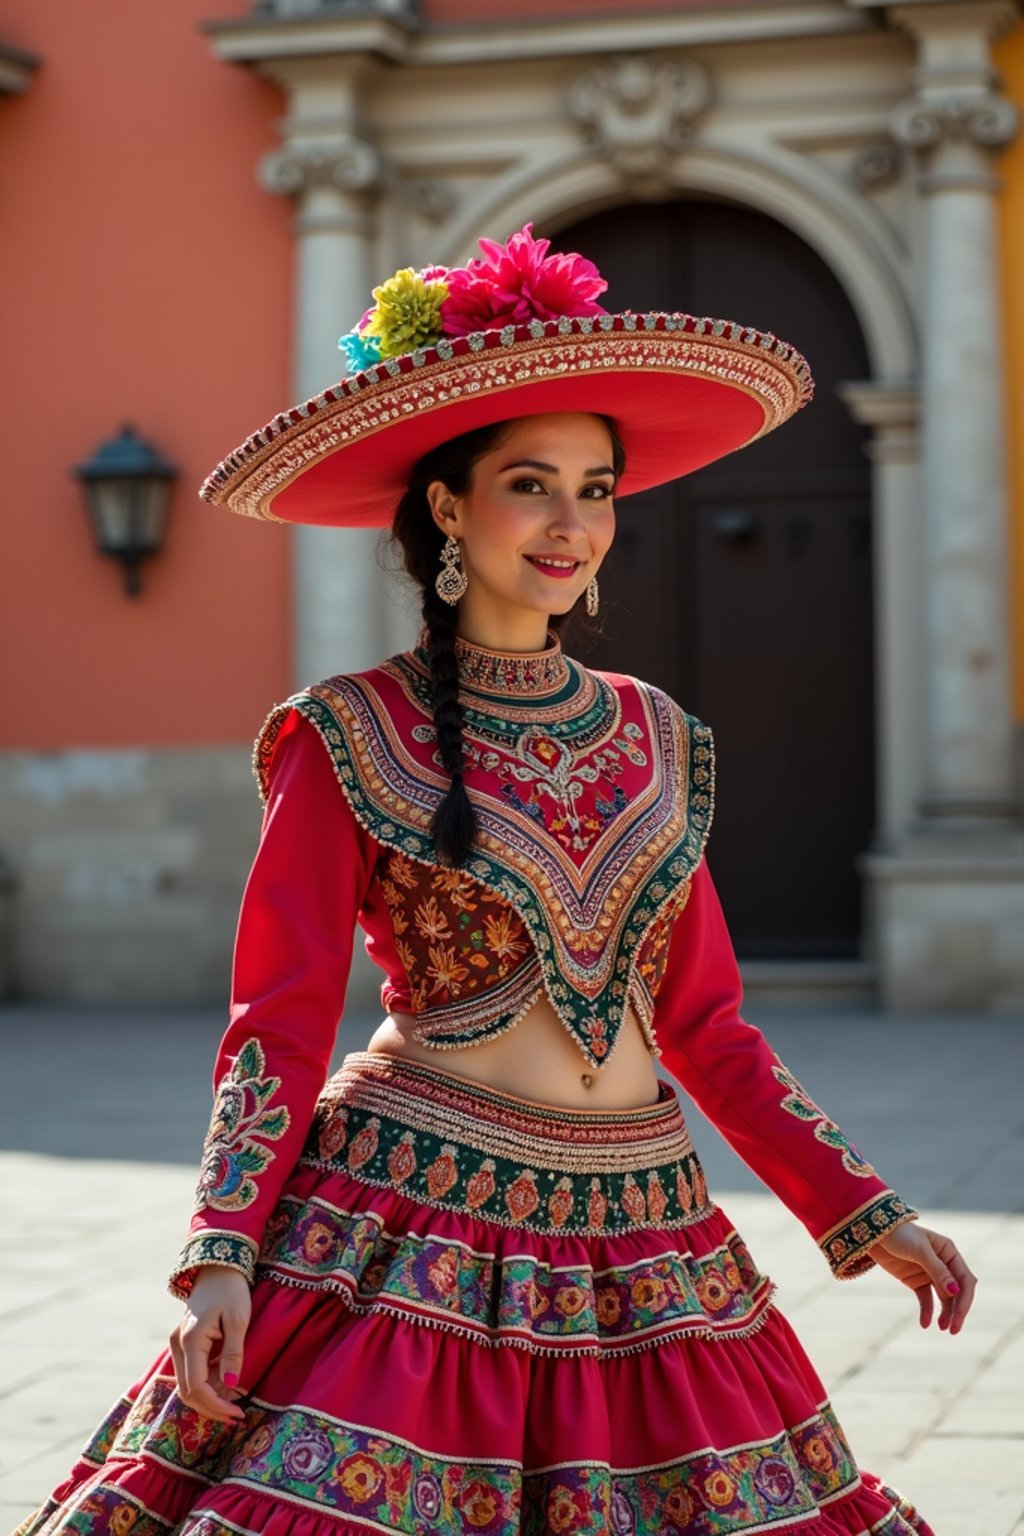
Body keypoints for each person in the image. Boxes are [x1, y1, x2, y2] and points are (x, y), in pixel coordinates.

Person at [17, 224, 974, 1536]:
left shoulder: (658, 734)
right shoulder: (346, 730)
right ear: (450, 506)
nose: (574, 522)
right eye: (533, 483)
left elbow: (702, 1023)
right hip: (413, 1218)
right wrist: (221, 1250)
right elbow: (279, 1019)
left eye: (598, 486)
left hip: (651, 1231)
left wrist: (858, 1210)